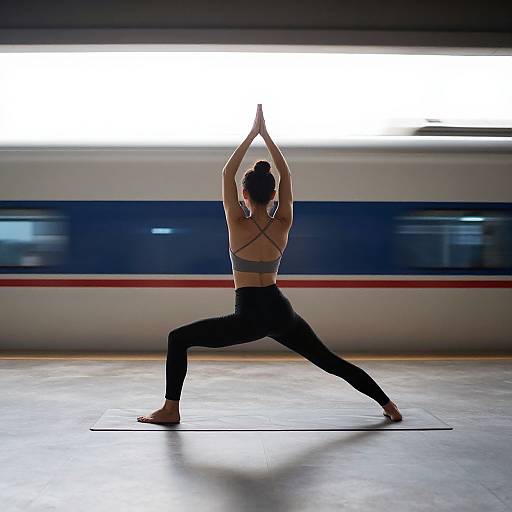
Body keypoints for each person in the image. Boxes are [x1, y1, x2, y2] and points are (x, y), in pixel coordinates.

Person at [138, 104, 402, 424]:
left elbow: (226, 174)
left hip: (248, 314)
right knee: (328, 360)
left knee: (177, 339)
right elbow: (287, 173)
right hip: (280, 311)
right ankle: (388, 404)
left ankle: (170, 410)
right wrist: (268, 137)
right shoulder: (284, 223)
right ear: (274, 193)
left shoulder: (237, 222)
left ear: (244, 195)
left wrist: (253, 135)